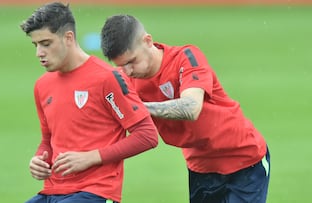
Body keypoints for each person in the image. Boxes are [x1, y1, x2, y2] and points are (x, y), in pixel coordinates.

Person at [101, 14, 270, 203]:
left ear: (147, 41)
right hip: (201, 168)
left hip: (245, 160)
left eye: (132, 61)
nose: (128, 71)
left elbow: (191, 107)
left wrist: (137, 107)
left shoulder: (186, 57)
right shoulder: (125, 80)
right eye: (121, 66)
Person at [20, 4, 159, 203]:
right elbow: (48, 140)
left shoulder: (107, 78)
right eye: (36, 45)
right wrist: (39, 160)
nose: (39, 53)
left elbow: (147, 136)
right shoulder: (42, 85)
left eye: (46, 43)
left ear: (68, 38)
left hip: (96, 192)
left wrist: (91, 157)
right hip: (53, 191)